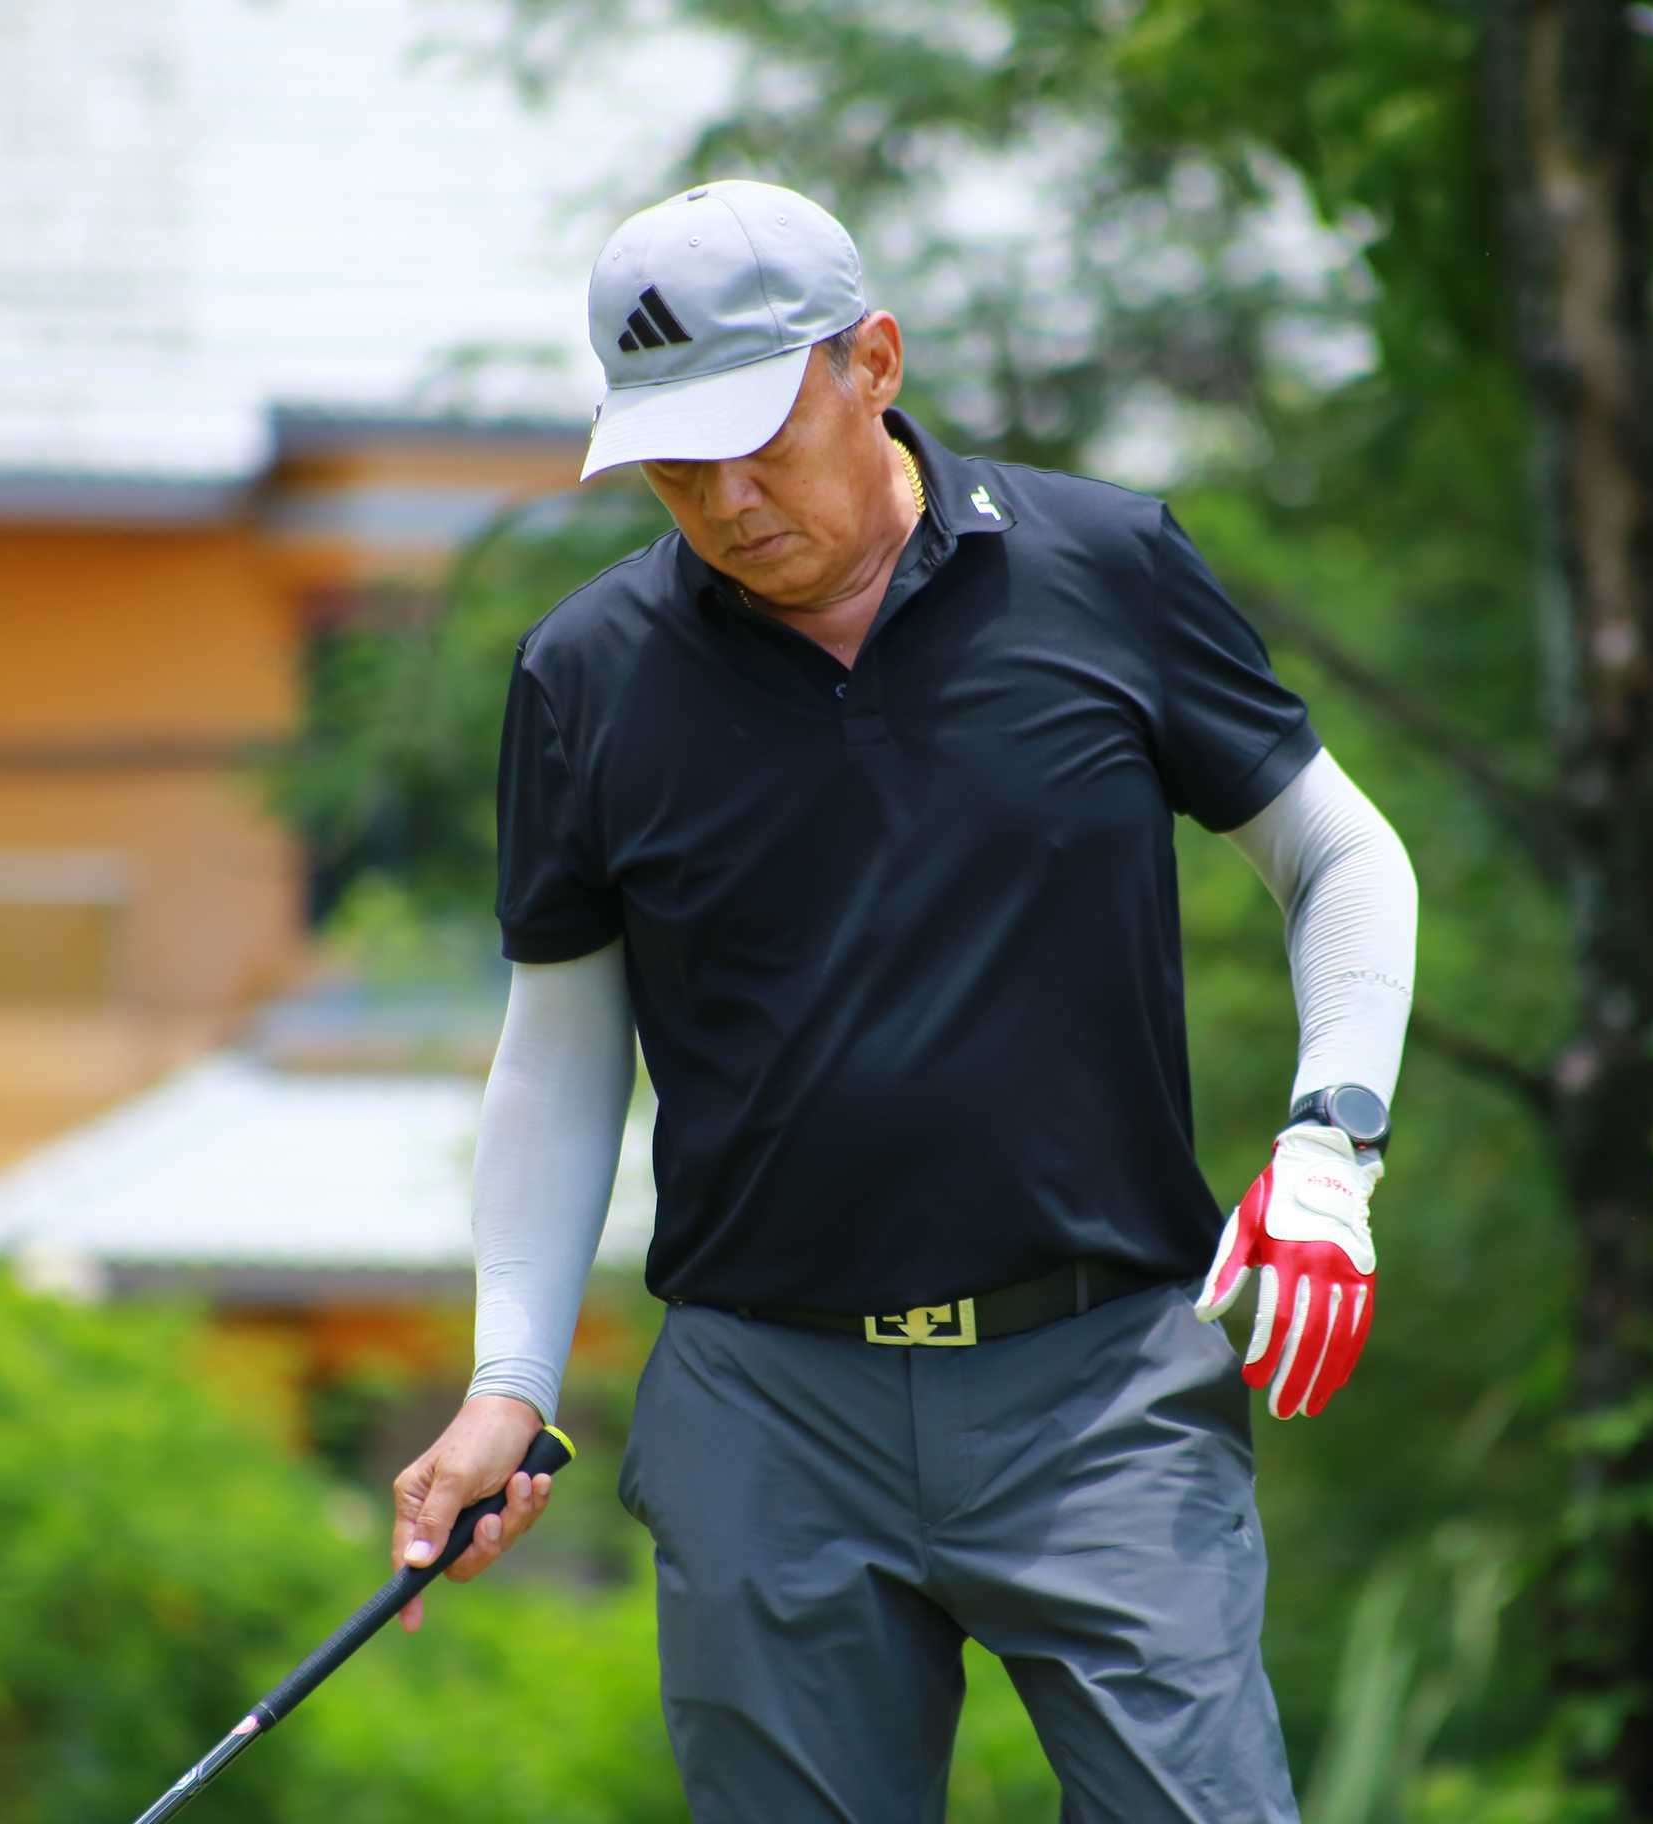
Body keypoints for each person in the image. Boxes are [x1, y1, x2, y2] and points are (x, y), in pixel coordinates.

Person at [389, 178, 1416, 1821]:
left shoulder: (1105, 567)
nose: (725, 500)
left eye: (756, 437)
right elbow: (563, 1055)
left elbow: (1339, 858)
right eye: (674, 463)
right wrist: (509, 1380)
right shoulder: (586, 675)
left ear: (871, 361)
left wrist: (1327, 1145)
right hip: (767, 1410)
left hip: (1099, 1388)